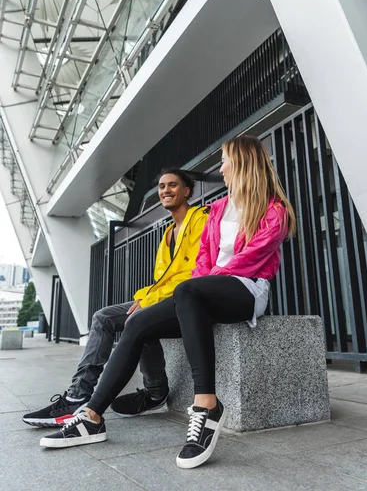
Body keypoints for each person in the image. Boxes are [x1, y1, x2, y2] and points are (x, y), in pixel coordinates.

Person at [40, 136, 295, 471]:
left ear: (243, 163)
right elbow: (203, 259)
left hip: (247, 290)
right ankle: (91, 415)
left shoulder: (274, 210)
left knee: (188, 291)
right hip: (204, 292)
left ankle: (206, 405)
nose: (221, 168)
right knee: (138, 322)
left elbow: (251, 259)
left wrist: (202, 283)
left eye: (225, 161)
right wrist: (199, 284)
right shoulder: (218, 209)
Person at [23, 168, 208, 427]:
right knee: (105, 317)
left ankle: (154, 392)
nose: (165, 190)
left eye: (173, 185)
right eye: (162, 186)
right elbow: (162, 279)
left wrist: (149, 299)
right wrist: (146, 296)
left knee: (137, 318)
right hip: (165, 298)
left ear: (187, 191)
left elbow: (196, 271)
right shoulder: (168, 234)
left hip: (189, 302)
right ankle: (79, 395)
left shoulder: (202, 219)